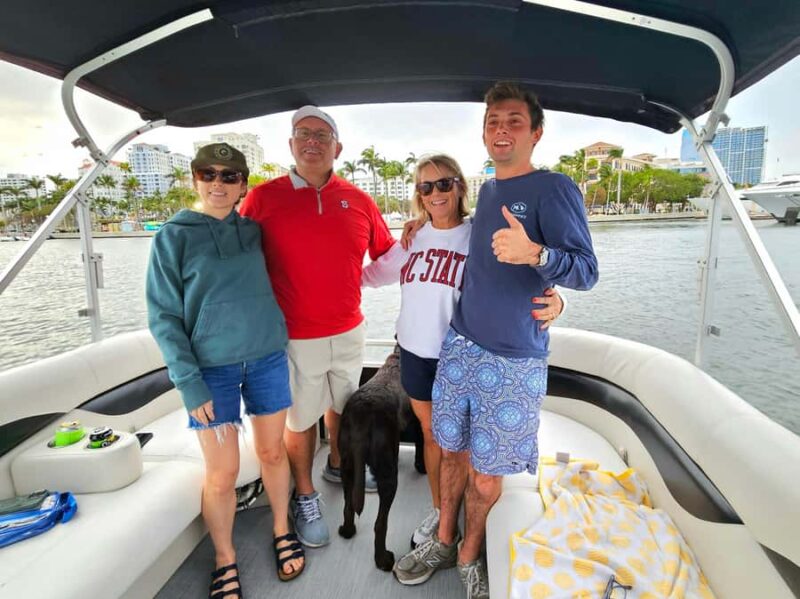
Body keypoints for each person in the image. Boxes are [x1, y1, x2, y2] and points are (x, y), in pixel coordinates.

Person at [393, 82, 598, 599]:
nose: (501, 130)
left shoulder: (554, 188)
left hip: (514, 361)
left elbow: (586, 271)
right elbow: (462, 249)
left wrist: (537, 256)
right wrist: (417, 226)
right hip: (461, 347)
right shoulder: (487, 190)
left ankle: (468, 554)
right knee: (452, 453)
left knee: (487, 477)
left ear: (536, 132)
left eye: (513, 121)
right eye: (493, 122)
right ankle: (443, 538)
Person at [361, 154, 565, 549]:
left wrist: (560, 303)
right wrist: (326, 285)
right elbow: (373, 274)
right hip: (415, 354)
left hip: (467, 353)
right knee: (435, 439)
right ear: (418, 195)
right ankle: (442, 514)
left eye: (443, 184)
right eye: (425, 186)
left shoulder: (479, 232)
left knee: (469, 447)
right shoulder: (412, 237)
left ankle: (474, 522)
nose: (435, 193)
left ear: (459, 187)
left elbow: (524, 275)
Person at [146, 143, 305, 597]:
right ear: (195, 178)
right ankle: (225, 557)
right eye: (208, 173)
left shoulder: (254, 232)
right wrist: (189, 385)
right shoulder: (172, 236)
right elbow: (163, 317)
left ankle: (280, 529)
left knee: (274, 453)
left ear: (243, 185)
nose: (218, 183)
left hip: (267, 358)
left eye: (229, 176)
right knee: (222, 473)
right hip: (209, 371)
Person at [239, 107, 396, 548]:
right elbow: (236, 262)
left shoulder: (360, 200)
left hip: (349, 330)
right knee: (301, 416)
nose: (312, 141)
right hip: (292, 335)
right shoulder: (262, 199)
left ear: (337, 148)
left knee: (345, 404)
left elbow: (387, 256)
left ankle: (341, 465)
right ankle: (305, 495)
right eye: (303, 133)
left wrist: (424, 236)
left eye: (322, 135)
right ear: (290, 144)